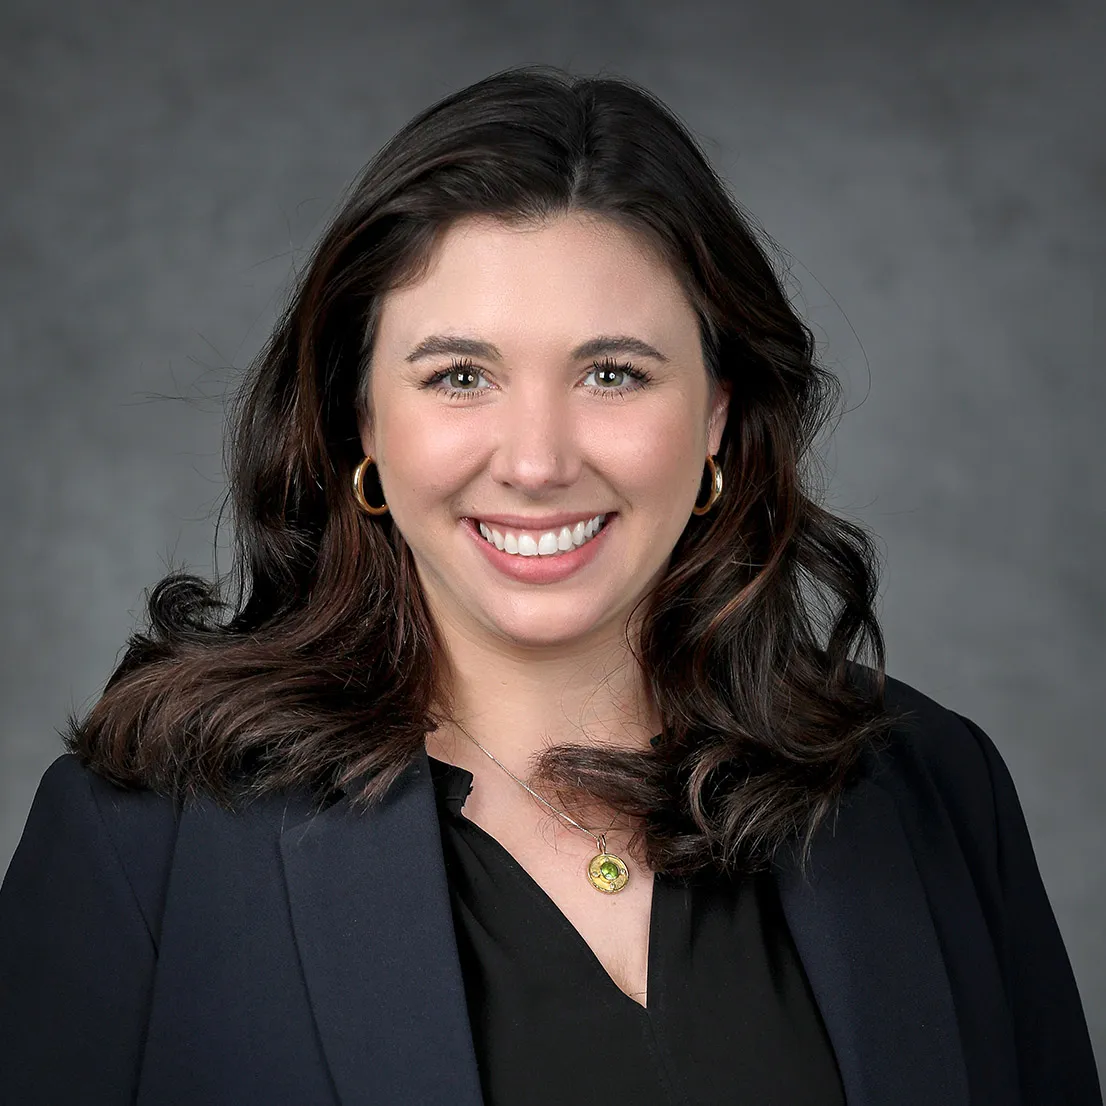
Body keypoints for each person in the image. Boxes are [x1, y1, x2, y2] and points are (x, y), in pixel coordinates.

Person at [0, 64, 1099, 1106]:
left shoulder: (932, 792)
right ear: (361, 422)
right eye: (460, 376)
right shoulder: (144, 843)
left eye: (611, 371)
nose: (535, 459)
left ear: (716, 414)